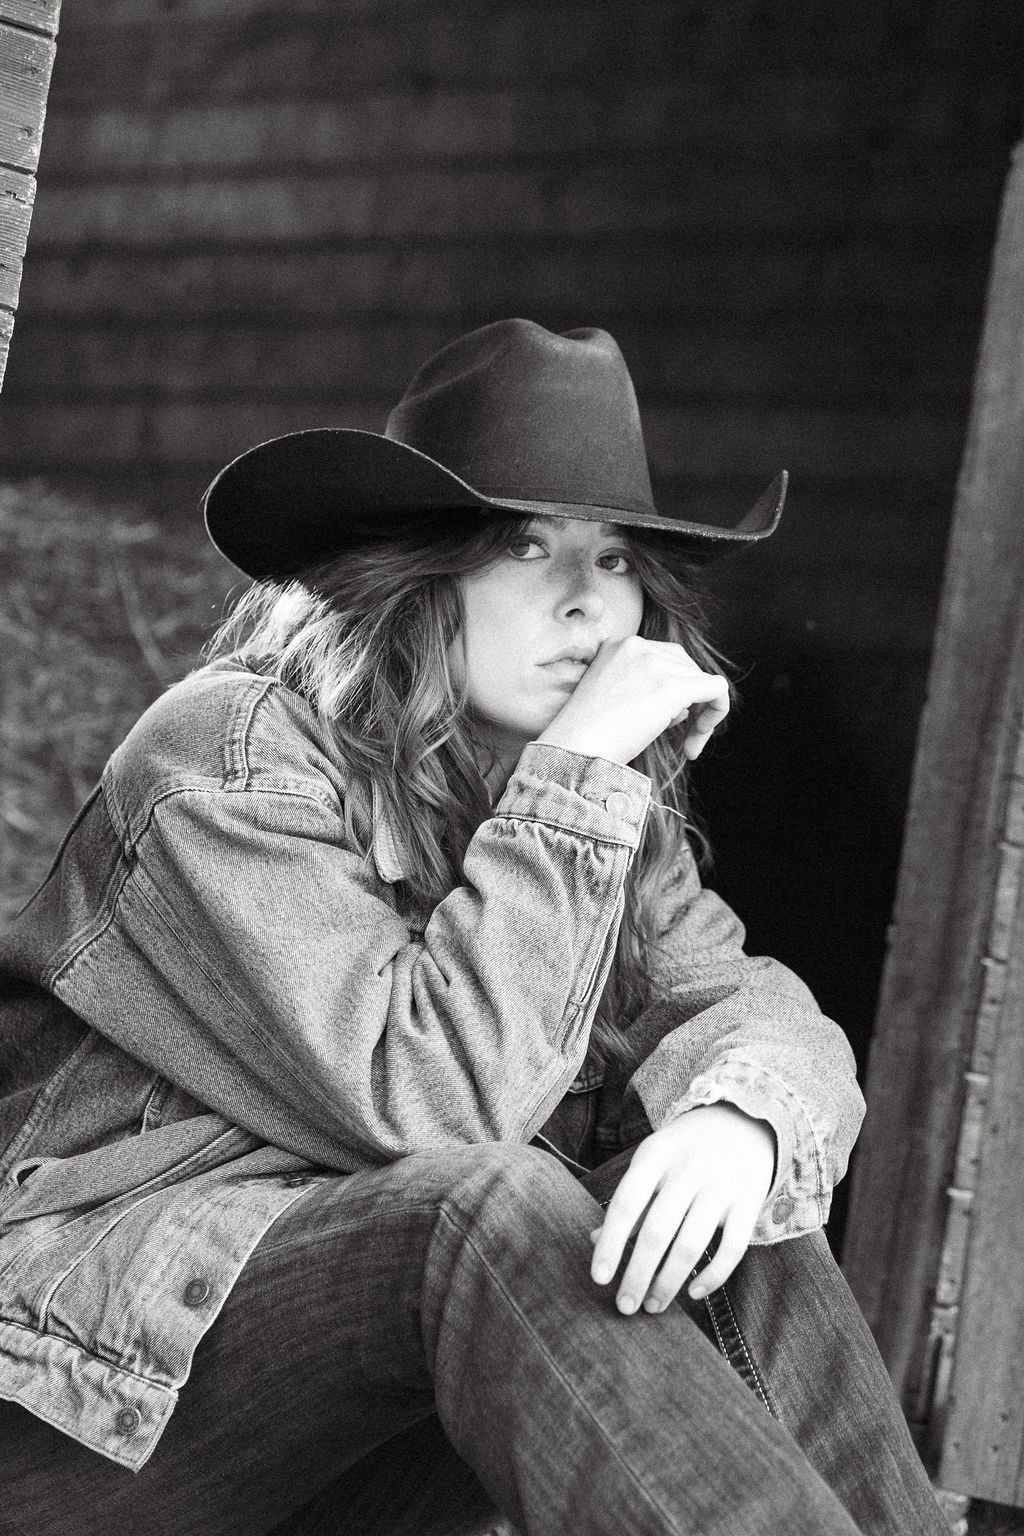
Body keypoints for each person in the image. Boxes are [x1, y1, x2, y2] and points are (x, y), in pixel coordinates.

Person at [0, 320, 945, 1536]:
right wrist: (574, 776)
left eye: (612, 560)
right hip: (74, 1406)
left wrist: (742, 1123)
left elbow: (752, 1006)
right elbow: (432, 1110)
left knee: (724, 1228)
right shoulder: (225, 762)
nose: (584, 602)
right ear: (412, 571)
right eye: (523, 545)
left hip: (341, 1454)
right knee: (486, 1207)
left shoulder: (588, 810)